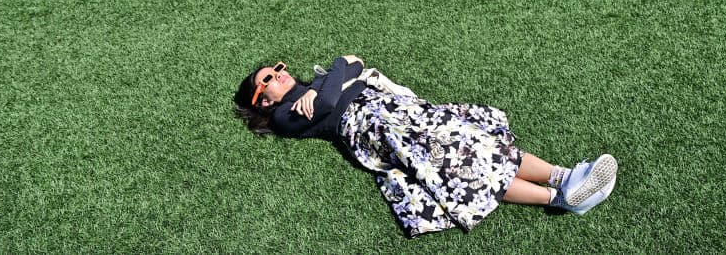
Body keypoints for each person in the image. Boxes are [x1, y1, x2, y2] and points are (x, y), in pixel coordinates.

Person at [233, 56, 618, 237]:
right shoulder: (283, 116)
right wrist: (335, 73)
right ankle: (560, 197)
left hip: (398, 111)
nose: (281, 74)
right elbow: (335, 95)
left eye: (279, 68)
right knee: (458, 168)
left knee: (476, 143)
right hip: (377, 127)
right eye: (270, 78)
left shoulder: (310, 91)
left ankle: (565, 178)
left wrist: (331, 76)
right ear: (262, 100)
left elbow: (355, 62)